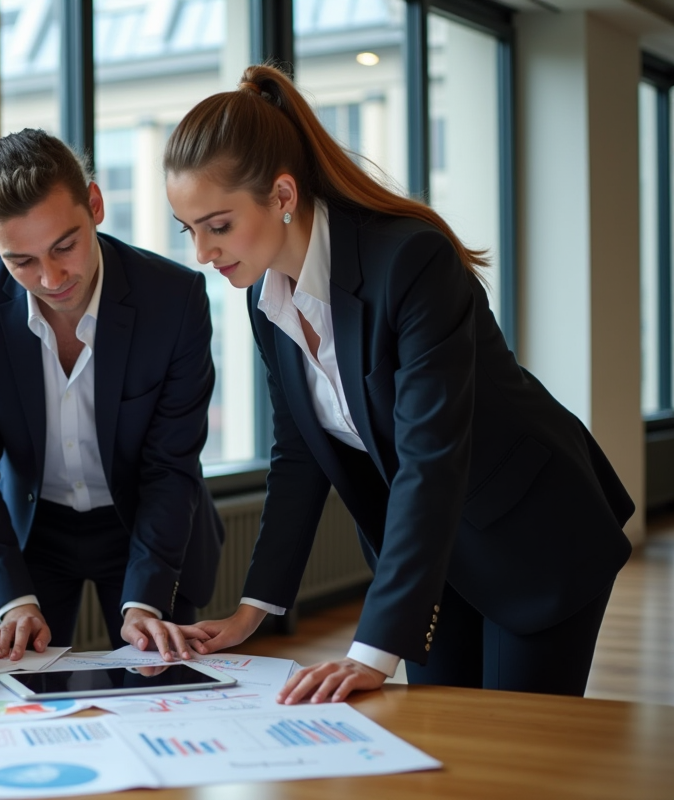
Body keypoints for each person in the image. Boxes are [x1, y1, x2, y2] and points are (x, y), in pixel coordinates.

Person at [164, 65, 634, 703]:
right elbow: (298, 455)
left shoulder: (410, 260)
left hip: (530, 533)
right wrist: (254, 610)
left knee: (512, 746)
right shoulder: (265, 297)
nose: (202, 252)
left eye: (218, 226)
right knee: (441, 741)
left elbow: (429, 456)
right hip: (431, 558)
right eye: (188, 229)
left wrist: (371, 651)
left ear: (282, 194)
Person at [0, 129, 224, 660]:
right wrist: (12, 598)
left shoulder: (174, 299)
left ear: (95, 205)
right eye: (21, 261)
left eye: (64, 246)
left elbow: (170, 465)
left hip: (147, 526)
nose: (50, 278)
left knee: (162, 680)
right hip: (28, 534)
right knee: (9, 691)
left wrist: (146, 602)